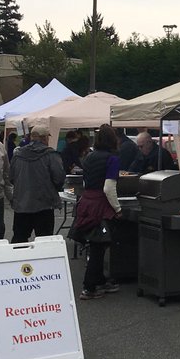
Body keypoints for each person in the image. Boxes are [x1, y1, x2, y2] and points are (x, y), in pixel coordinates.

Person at [74, 124, 122, 300]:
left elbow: (85, 182)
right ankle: (89, 287)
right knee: (98, 247)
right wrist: (117, 208)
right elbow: (109, 187)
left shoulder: (89, 156)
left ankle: (100, 280)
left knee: (95, 245)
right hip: (101, 205)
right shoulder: (112, 159)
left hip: (87, 202)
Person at [10, 124, 66, 243]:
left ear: (31, 137)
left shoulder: (18, 154)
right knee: (44, 241)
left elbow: (12, 177)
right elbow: (59, 178)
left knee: (19, 240)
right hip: (44, 204)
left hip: (22, 204)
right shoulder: (51, 155)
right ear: (44, 138)